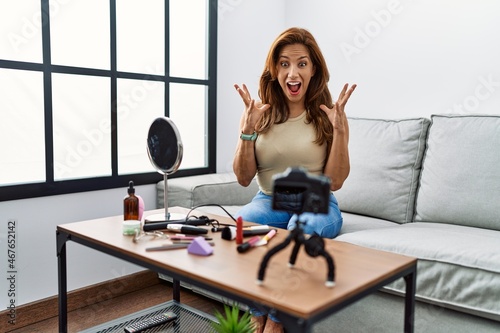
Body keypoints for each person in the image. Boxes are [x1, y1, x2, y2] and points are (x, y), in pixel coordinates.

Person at [232, 27, 357, 333]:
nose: (293, 72)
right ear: (274, 70)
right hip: (268, 199)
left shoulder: (329, 115)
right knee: (244, 224)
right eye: (285, 63)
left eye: (302, 63)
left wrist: (339, 132)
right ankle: (256, 313)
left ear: (314, 69)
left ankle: (276, 319)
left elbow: (336, 181)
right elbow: (244, 177)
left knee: (301, 229)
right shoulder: (257, 114)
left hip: (318, 201)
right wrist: (247, 131)